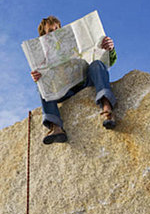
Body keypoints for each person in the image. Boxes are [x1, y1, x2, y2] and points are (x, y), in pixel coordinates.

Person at [31, 15, 117, 144]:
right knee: (41, 85)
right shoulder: (42, 56)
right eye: (51, 31)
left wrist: (109, 49)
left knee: (97, 64)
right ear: (44, 35)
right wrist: (37, 78)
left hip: (83, 80)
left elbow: (108, 60)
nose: (55, 32)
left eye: (57, 29)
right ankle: (56, 127)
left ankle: (107, 108)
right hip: (64, 90)